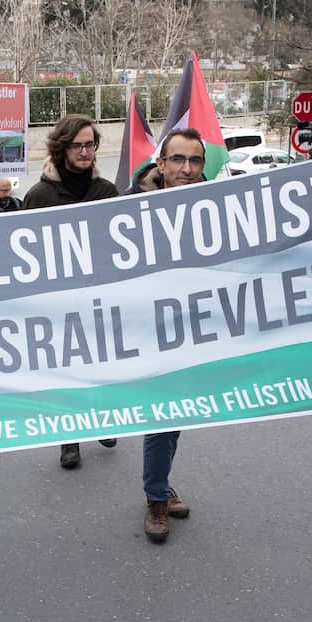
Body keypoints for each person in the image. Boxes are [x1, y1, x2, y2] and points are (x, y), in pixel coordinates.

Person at [22, 114, 119, 469]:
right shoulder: (39, 196)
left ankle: (103, 419)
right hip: (57, 301)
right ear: (62, 149)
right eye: (78, 145)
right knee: (67, 369)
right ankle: (69, 439)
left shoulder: (106, 192)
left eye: (90, 144)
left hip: (99, 297)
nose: (85, 152)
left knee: (101, 363)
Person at [129, 128, 206, 543]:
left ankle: (160, 484)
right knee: (162, 412)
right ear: (160, 164)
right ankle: (156, 496)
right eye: (178, 159)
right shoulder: (130, 206)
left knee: (176, 415)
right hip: (148, 327)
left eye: (195, 160)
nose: (186, 168)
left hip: (196, 326)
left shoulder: (221, 205)